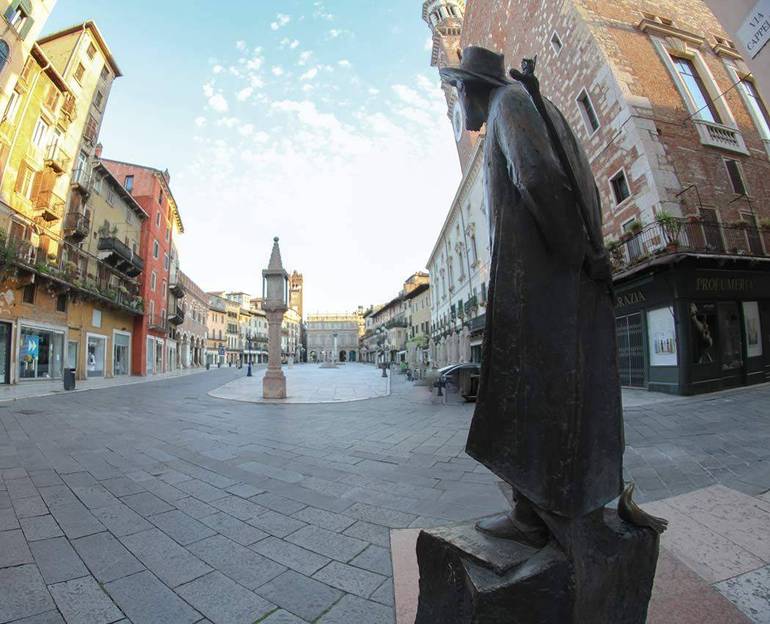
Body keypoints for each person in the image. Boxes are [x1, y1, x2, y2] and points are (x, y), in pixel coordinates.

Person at [440, 47, 624, 546]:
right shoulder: (530, 104)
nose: (458, 100)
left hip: (538, 277)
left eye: (458, 89)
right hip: (556, 272)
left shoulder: (507, 106)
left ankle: (532, 514)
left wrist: (574, 254)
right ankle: (543, 505)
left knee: (528, 388)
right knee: (551, 388)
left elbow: (539, 177)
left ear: (473, 88)